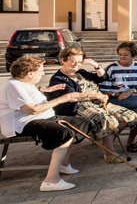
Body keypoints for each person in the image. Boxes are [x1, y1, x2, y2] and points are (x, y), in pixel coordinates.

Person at [0, 56, 93, 191]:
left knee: (83, 123)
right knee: (63, 131)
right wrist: (63, 98)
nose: (43, 74)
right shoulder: (12, 85)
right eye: (41, 71)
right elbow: (32, 110)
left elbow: (28, 95)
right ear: (29, 73)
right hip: (21, 124)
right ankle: (51, 180)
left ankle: (62, 162)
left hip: (43, 118)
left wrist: (44, 90)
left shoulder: (24, 83)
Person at [48, 47, 137, 163]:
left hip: (97, 103)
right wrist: (95, 96)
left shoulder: (80, 73)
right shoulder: (58, 79)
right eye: (73, 61)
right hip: (78, 106)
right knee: (105, 119)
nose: (76, 65)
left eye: (79, 62)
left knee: (128, 116)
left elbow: (102, 77)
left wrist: (95, 65)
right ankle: (109, 153)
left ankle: (104, 140)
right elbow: (72, 97)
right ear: (63, 60)